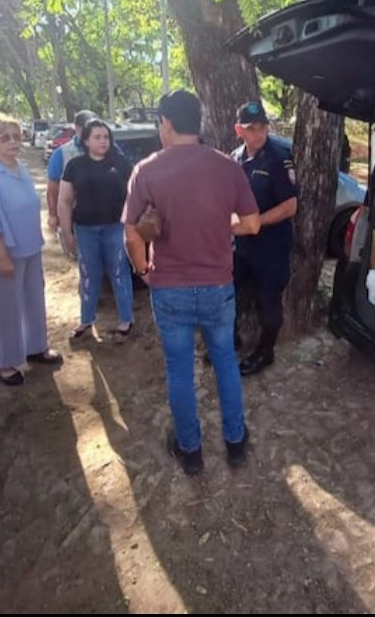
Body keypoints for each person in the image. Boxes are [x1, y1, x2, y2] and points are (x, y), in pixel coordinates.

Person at [122, 90, 261, 475]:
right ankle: (235, 442)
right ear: (197, 122)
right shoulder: (227, 167)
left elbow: (132, 235)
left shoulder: (146, 170)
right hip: (218, 286)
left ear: (166, 123)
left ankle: (192, 451)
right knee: (226, 362)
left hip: (169, 288)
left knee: (180, 370)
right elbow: (251, 224)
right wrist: (223, 223)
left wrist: (144, 271)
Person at [0, 113, 62, 386]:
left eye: (16, 136)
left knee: (33, 300)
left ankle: (36, 347)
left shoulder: (19, 168)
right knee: (4, 310)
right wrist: (2, 256)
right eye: (5, 137)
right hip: (3, 254)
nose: (13, 142)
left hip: (29, 248)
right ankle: (4, 362)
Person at [230, 101, 299, 376]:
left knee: (267, 302)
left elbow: (290, 206)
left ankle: (265, 351)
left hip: (271, 247)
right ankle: (229, 341)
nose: (258, 134)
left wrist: (257, 222)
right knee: (227, 294)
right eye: (251, 129)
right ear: (239, 130)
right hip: (241, 246)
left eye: (262, 128)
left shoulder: (279, 157)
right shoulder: (234, 158)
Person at [58, 119, 134, 342]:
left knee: (119, 272)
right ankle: (86, 319)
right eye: (97, 137)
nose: (103, 141)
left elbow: (135, 196)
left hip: (115, 227)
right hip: (85, 229)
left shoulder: (121, 163)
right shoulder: (75, 166)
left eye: (106, 137)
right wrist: (66, 231)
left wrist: (133, 226)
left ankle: (126, 320)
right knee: (89, 275)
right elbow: (64, 200)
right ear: (86, 140)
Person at [46, 110, 97, 232]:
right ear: (77, 128)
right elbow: (53, 187)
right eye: (87, 128)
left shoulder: (109, 149)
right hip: (73, 217)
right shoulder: (62, 153)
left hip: (105, 218)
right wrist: (53, 214)